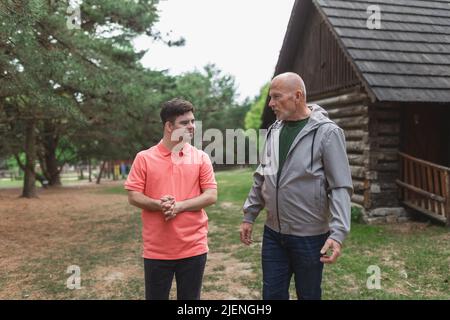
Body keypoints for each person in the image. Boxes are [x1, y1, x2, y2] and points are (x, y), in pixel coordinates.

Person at [240, 72, 353, 300]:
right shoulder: (274, 130)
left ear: (297, 96)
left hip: (310, 238)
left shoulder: (328, 133)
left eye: (276, 97)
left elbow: (340, 186)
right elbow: (262, 175)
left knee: (308, 295)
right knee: (271, 296)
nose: (270, 103)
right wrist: (249, 215)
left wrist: (338, 232)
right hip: (273, 234)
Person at [125, 98, 217, 300]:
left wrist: (180, 206)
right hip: (157, 250)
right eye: (185, 123)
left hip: (194, 246)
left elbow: (211, 195)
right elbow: (133, 195)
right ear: (169, 126)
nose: (192, 127)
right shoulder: (144, 158)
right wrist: (159, 205)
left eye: (193, 121)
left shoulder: (201, 157)